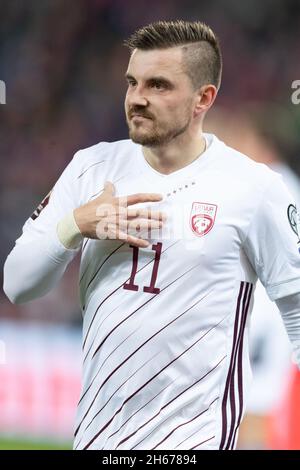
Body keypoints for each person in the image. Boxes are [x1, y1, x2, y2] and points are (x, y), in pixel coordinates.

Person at [3, 20, 300, 451]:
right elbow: (16, 284)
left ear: (204, 99)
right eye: (132, 82)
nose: (138, 98)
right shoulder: (91, 169)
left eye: (159, 85)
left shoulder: (255, 189)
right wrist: (74, 226)